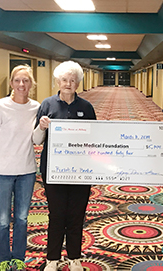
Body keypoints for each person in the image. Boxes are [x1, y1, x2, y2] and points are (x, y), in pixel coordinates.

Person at [33, 61, 96, 271]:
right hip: (54, 171)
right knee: (57, 215)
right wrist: (41, 127)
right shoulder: (47, 105)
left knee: (77, 215)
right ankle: (52, 259)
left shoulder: (86, 107)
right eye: (64, 80)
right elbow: (36, 140)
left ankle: (74, 258)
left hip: (81, 172)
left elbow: (96, 139)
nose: (68, 84)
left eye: (72, 80)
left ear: (77, 83)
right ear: (57, 82)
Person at [0, 65, 40, 271]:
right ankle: (4, 258)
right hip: (1, 172)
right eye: (17, 80)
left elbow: (37, 138)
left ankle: (19, 257)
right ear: (11, 83)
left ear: (31, 83)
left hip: (27, 171)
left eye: (25, 81)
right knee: (3, 220)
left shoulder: (36, 107)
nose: (21, 85)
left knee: (22, 219)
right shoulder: (0, 106)